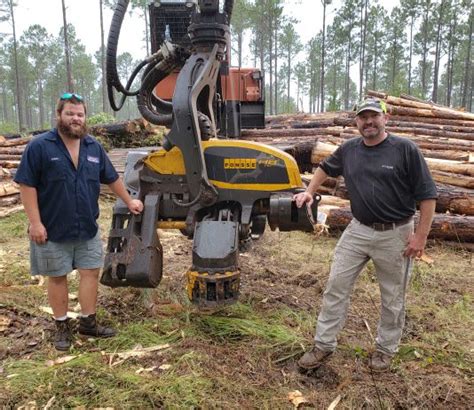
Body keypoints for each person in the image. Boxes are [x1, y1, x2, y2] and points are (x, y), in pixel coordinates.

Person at [294, 98, 437, 372]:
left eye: (374, 116)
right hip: (357, 230)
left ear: (386, 118)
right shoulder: (350, 149)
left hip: (396, 233)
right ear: (356, 122)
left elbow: (428, 195)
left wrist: (421, 236)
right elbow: (325, 167)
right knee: (336, 285)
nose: (368, 122)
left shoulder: (405, 150)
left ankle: (385, 350)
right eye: (363, 117)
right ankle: (323, 345)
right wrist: (309, 191)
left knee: (393, 296)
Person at [14, 93, 144, 351]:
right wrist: (35, 223)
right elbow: (26, 185)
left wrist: (129, 201)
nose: (75, 118)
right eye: (70, 113)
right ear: (59, 115)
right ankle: (61, 326)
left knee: (90, 273)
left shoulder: (92, 147)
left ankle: (88, 322)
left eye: (80, 114)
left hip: (87, 227)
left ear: (85, 117)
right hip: (51, 229)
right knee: (57, 276)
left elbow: (111, 177)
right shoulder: (40, 146)